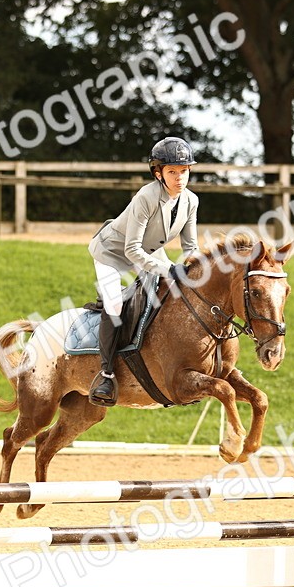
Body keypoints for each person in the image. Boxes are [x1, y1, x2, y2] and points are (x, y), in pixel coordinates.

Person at [86, 136, 200, 407]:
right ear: (158, 173)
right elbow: (131, 250)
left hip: (149, 252)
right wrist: (170, 268)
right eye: (172, 171)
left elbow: (191, 247)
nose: (179, 177)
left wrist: (192, 271)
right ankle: (106, 374)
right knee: (114, 305)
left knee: (170, 294)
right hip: (113, 252)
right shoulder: (146, 196)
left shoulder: (190, 201)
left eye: (184, 171)